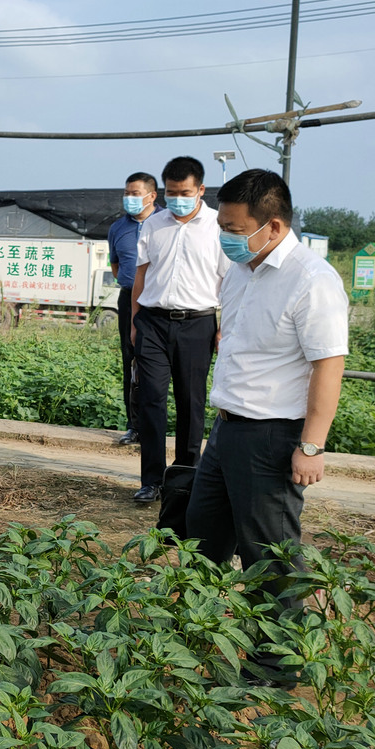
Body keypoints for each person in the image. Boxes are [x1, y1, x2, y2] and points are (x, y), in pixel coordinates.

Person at [185, 170, 348, 683]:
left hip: (274, 436)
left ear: (272, 226)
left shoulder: (312, 280)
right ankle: (195, 637)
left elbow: (328, 365)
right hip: (228, 427)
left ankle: (277, 666)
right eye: (221, 225)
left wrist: (312, 445)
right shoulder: (241, 270)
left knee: (270, 555)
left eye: (233, 227)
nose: (224, 236)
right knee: (202, 537)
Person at [129, 156, 230, 503]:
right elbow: (141, 275)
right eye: (171, 192)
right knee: (151, 399)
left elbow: (228, 281)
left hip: (198, 323)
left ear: (201, 189)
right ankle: (151, 481)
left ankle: (186, 479)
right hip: (153, 322)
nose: (177, 199)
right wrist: (134, 320)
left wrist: (222, 327)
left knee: (191, 401)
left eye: (185, 192)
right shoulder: (153, 225)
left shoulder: (219, 226)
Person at [107, 172, 159, 445]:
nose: (129, 198)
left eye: (135, 193)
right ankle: (135, 426)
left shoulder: (166, 223)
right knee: (131, 361)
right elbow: (116, 266)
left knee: (160, 365)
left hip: (158, 301)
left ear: (152, 196)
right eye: (127, 193)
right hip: (128, 299)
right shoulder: (118, 228)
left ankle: (156, 427)